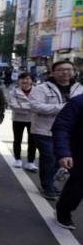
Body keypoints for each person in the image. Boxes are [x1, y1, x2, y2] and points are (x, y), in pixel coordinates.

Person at [29, 60, 83, 200]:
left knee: (61, 159)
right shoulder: (41, 88)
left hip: (70, 132)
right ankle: (47, 186)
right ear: (52, 72)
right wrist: (64, 108)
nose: (65, 72)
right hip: (44, 130)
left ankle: (51, 182)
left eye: (69, 69)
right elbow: (35, 106)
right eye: (61, 69)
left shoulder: (79, 88)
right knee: (50, 157)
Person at [53, 94, 83, 230]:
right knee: (77, 186)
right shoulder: (78, 102)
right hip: (79, 153)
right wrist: (64, 153)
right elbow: (62, 127)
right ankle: (63, 210)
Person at [9, 72, 38, 172]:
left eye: (27, 79)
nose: (25, 81)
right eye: (22, 79)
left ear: (32, 81)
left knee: (32, 141)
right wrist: (30, 106)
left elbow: (39, 105)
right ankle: (17, 159)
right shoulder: (13, 91)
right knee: (17, 140)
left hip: (33, 119)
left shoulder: (38, 91)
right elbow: (13, 106)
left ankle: (31, 162)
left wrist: (22, 105)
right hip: (18, 119)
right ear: (19, 80)